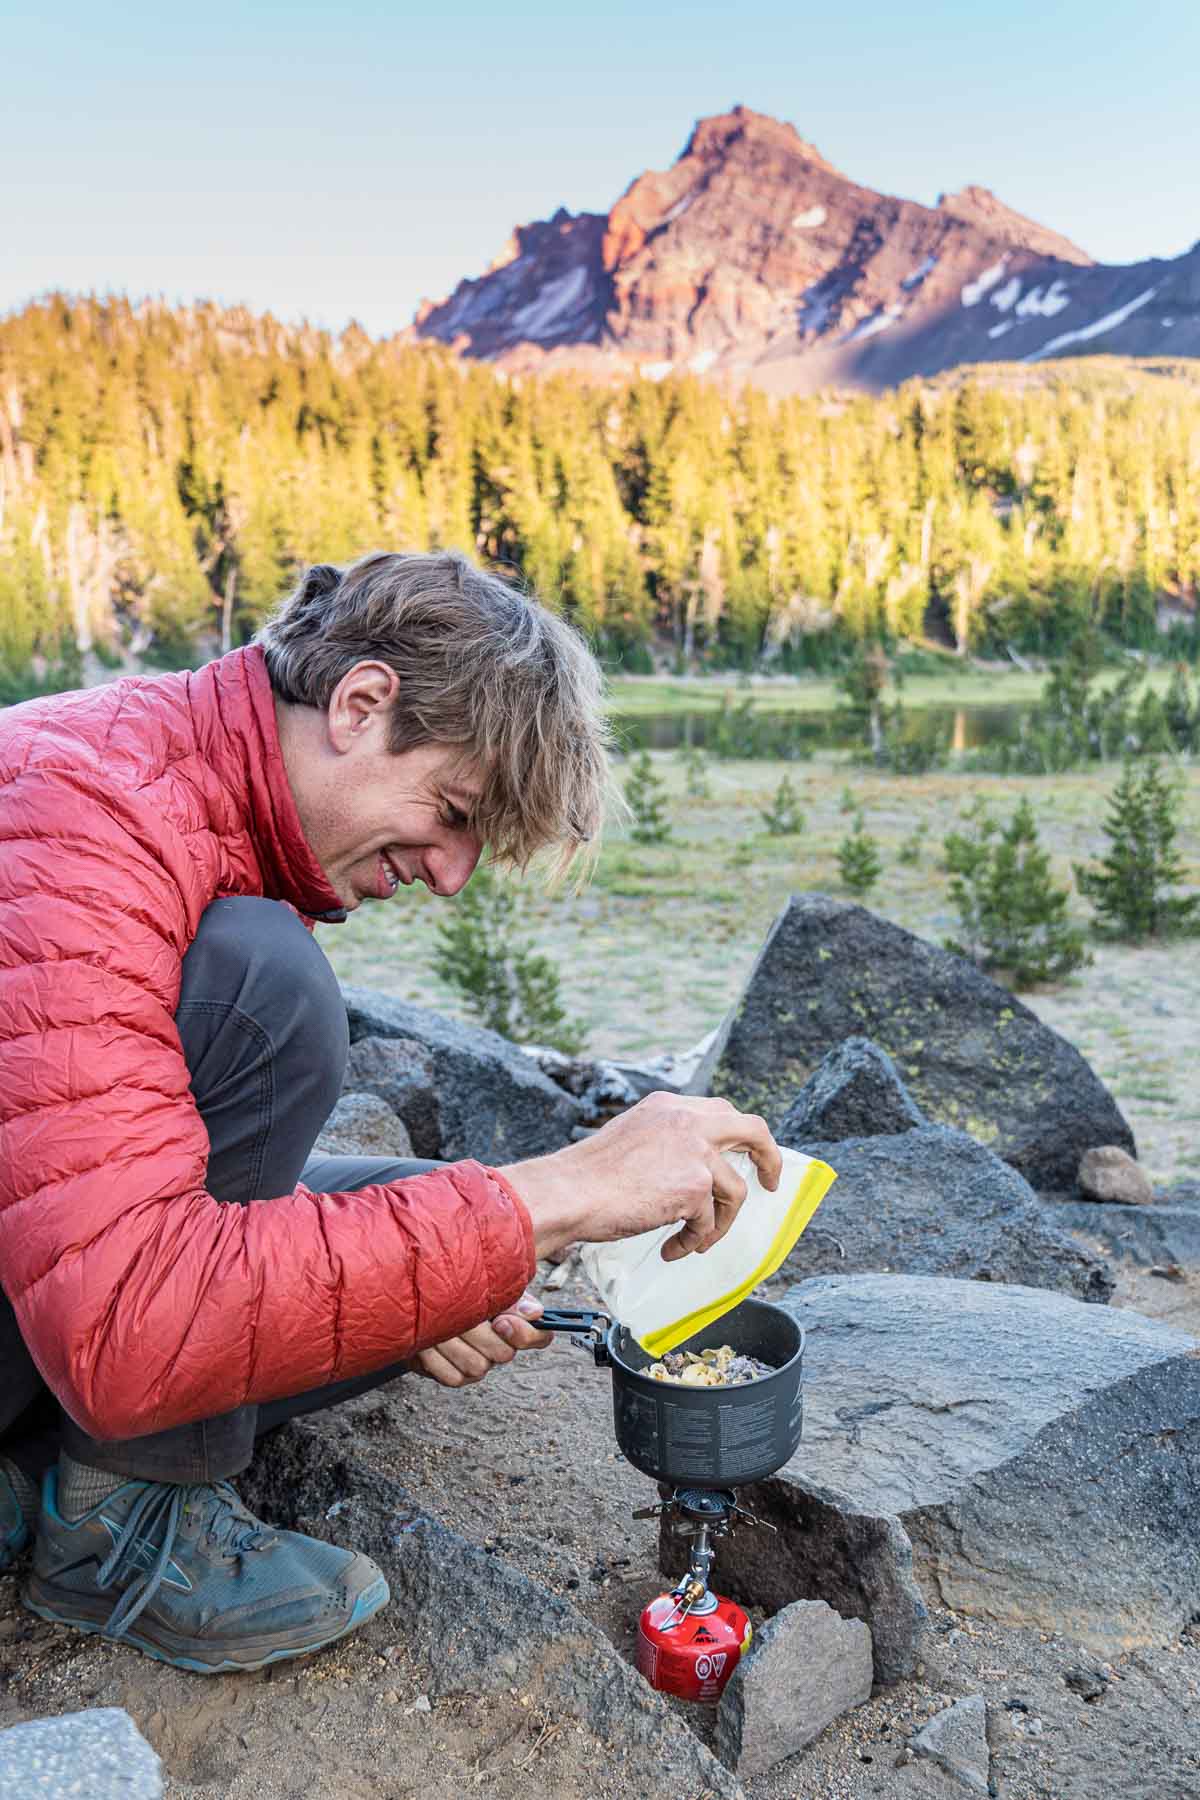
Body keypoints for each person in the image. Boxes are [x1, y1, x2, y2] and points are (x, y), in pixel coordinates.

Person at [0, 550, 778, 1674]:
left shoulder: (192, 788)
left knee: (436, 1227)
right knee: (265, 992)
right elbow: (129, 1316)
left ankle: (32, 1488)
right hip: (93, 1316)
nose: (452, 875)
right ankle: (122, 1529)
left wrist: (476, 1249)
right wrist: (558, 1194)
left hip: (49, 1284)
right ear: (360, 706)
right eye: (452, 813)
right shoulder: (78, 814)